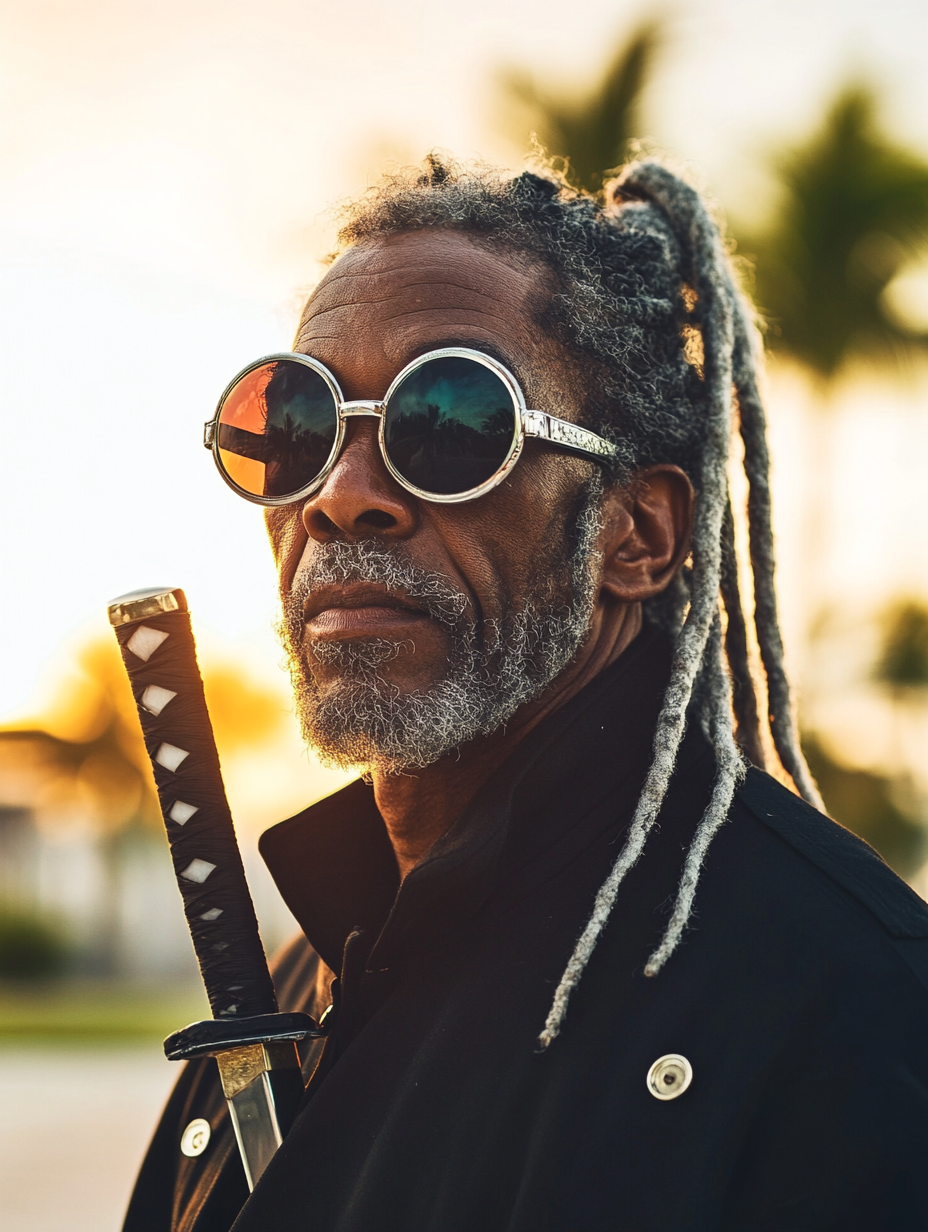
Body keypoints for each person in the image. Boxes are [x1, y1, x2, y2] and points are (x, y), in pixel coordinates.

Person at [124, 156, 928, 1232]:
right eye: (298, 427)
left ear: (637, 533)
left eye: (450, 424)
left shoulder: (844, 1003)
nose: (342, 498)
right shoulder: (292, 977)